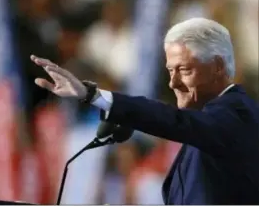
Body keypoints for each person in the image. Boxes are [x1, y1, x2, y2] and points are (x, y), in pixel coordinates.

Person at [30, 18, 259, 204]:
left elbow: (171, 120)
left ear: (218, 67)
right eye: (171, 71)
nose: (173, 83)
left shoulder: (235, 114)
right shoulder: (207, 118)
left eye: (184, 70)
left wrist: (93, 95)